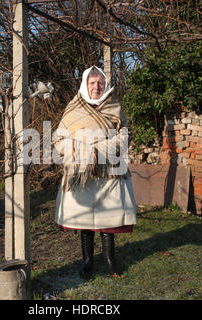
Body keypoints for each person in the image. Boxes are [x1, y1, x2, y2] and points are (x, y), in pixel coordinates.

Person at [54, 66, 137, 279]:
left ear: (105, 84)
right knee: (85, 222)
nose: (96, 87)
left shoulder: (114, 107)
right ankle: (88, 262)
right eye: (92, 83)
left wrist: (100, 151)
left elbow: (125, 135)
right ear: (85, 84)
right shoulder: (73, 109)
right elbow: (58, 140)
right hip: (82, 173)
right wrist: (82, 152)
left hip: (109, 171)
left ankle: (110, 259)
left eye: (100, 83)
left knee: (107, 219)